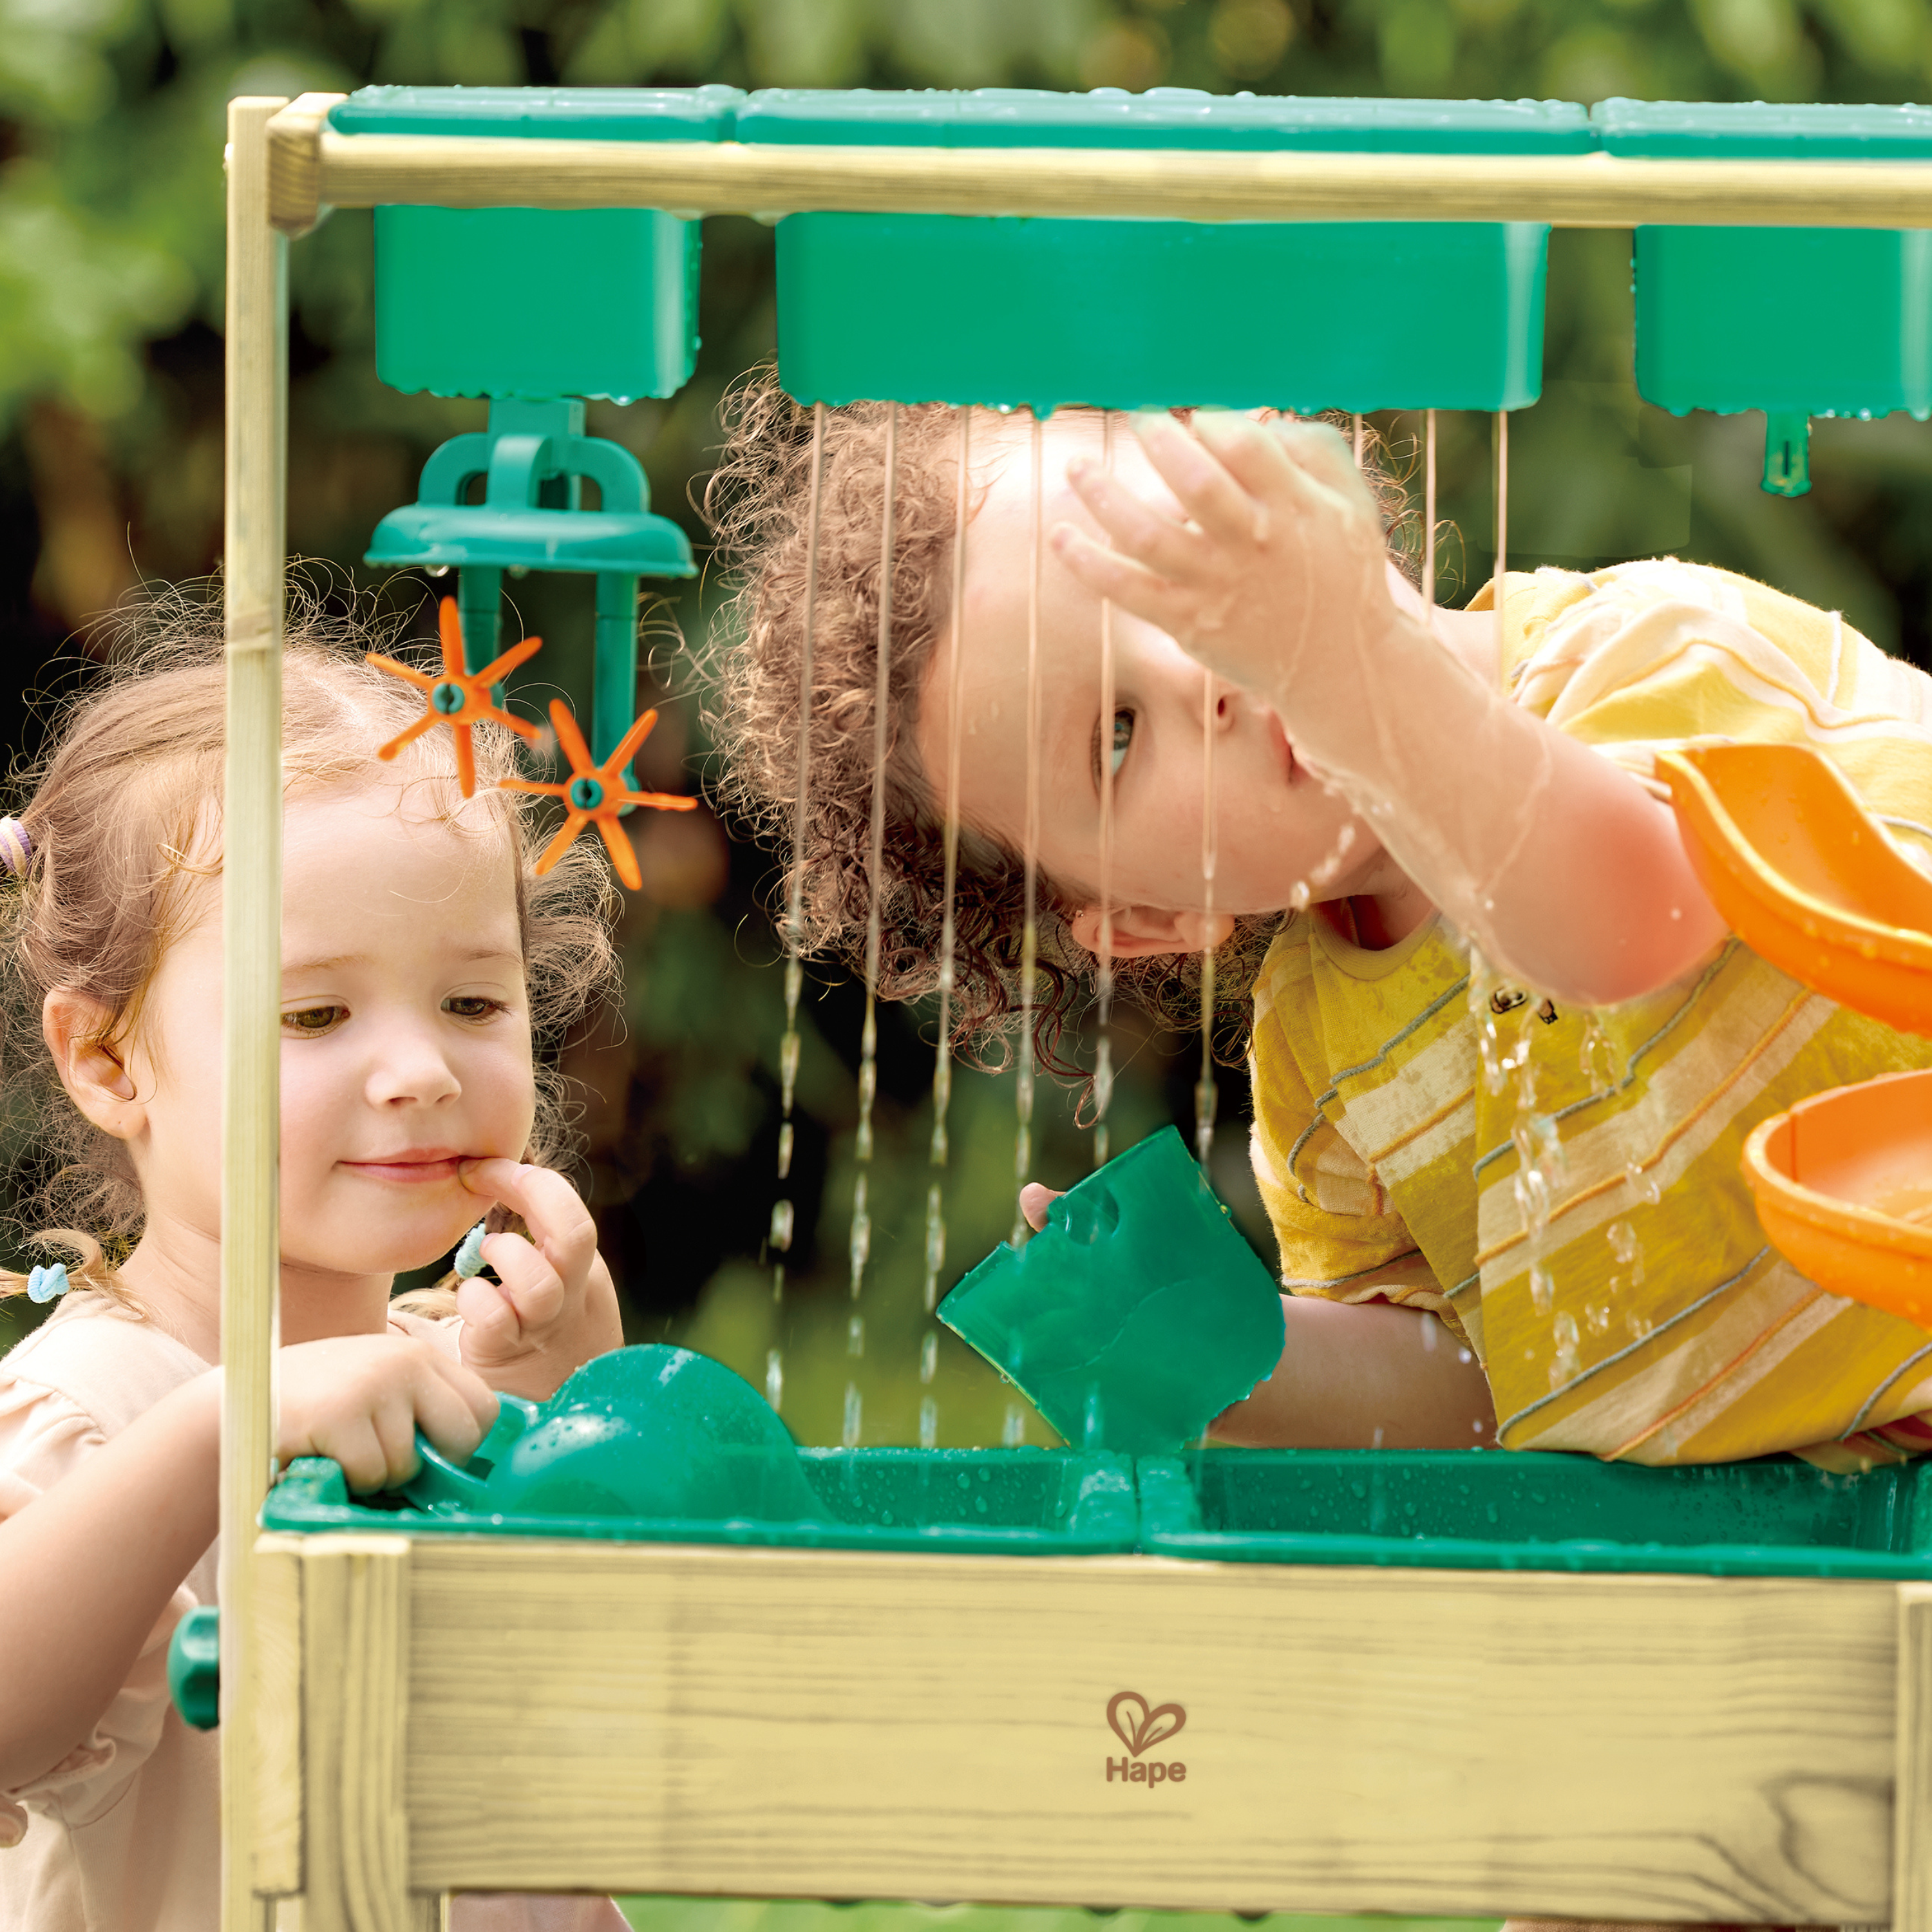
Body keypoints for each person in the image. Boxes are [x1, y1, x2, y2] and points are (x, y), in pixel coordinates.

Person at [706, 374, 1932, 1472]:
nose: (1207, 670)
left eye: (1176, 576)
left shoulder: (1633, 659)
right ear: (1150, 916)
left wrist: (1359, 666)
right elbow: (1481, 1384)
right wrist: (1231, 1354)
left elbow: (1633, 922)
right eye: (1119, 735)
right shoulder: (1319, 1057)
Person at [0, 591, 634, 1931]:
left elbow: (616, 1690)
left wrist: (585, 1399)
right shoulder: (98, 1414)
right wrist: (230, 1428)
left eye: (472, 1001)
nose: (417, 1070)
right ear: (108, 1059)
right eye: (315, 1013)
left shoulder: (461, 1370)